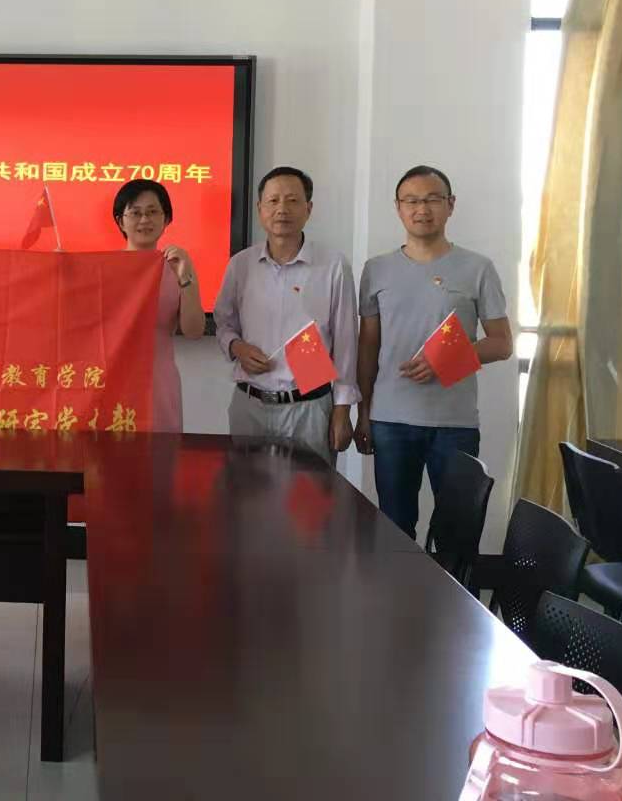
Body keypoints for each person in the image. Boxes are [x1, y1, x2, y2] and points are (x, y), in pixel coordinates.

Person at [355, 165, 512, 538]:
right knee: (395, 531)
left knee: (456, 533)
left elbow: (501, 343)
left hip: (454, 423)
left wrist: (445, 360)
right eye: (411, 201)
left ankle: (454, 582)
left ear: (450, 205)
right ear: (398, 207)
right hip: (390, 421)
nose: (421, 209)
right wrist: (363, 413)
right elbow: (368, 346)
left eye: (432, 200)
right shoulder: (376, 269)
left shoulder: (478, 268)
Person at [213, 166, 358, 463]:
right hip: (250, 404)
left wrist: (342, 410)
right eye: (273, 201)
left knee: (310, 491)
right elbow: (223, 322)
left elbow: (346, 341)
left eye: (292, 200)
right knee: (246, 490)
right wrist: (236, 347)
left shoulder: (333, 265)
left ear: (309, 209)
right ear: (260, 209)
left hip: (309, 408)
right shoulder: (241, 265)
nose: (282, 209)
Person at [112, 179, 204, 431]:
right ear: (121, 221)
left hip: (158, 380)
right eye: (135, 213)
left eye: (153, 212)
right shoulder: (104, 269)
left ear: (166, 219)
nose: (145, 220)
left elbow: (194, 331)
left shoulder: (177, 267)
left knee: (159, 450)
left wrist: (185, 277)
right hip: (111, 378)